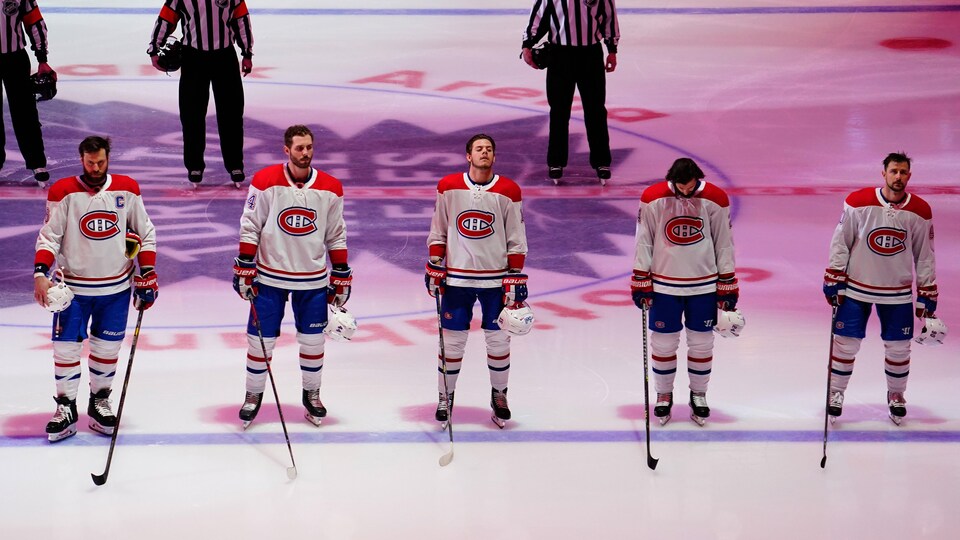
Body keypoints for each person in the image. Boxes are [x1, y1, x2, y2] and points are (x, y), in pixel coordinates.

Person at [33, 136, 158, 442]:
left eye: (101, 162)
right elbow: (50, 237)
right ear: (81, 160)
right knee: (65, 349)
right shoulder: (63, 191)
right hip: (73, 289)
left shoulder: (127, 188)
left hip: (115, 288)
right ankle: (65, 408)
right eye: (90, 162)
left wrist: (148, 272)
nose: (96, 167)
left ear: (108, 158)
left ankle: (99, 401)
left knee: (106, 350)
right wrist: (40, 272)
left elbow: (146, 232)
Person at [232, 125, 351, 428]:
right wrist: (245, 263)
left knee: (313, 343)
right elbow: (250, 224)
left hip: (312, 281)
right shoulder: (265, 180)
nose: (305, 153)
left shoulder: (331, 187)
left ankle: (312, 394)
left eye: (309, 147)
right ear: (286, 150)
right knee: (259, 342)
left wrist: (340, 272)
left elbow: (336, 234)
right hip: (269, 278)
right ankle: (253, 395)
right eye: (299, 148)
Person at [823, 152, 939, 425]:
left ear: (909, 175)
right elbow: (841, 242)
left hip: (896, 291)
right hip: (855, 288)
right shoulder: (858, 202)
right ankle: (835, 394)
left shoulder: (920, 211)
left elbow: (925, 255)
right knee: (846, 344)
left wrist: (927, 291)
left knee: (899, 347)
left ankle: (897, 395)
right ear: (883, 173)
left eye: (903, 172)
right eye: (894, 171)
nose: (898, 177)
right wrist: (834, 277)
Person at [425, 134, 529, 429]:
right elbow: (439, 227)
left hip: (496, 279)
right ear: (468, 156)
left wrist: (515, 274)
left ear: (494, 157)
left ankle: (499, 394)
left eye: (489, 149)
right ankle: (446, 397)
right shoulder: (448, 186)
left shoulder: (509, 190)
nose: (485, 153)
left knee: (498, 338)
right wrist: (435, 263)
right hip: (457, 278)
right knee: (452, 340)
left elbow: (516, 236)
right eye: (479, 149)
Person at [631, 157, 738, 426]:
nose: (685, 192)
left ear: (697, 179)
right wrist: (640, 277)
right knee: (663, 343)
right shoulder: (653, 197)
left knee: (701, 343)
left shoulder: (715, 198)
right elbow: (644, 239)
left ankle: (698, 394)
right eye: (681, 188)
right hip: (664, 284)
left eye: (690, 188)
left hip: (704, 284)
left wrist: (727, 280)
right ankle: (664, 394)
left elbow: (724, 242)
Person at [147, 0, 253, 188]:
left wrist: (247, 53)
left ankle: (235, 165)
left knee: (232, 114)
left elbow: (241, 20)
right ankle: (194, 166)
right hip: (193, 58)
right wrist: (154, 48)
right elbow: (166, 18)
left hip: (224, 57)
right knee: (191, 115)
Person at [521, 0, 619, 184]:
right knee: (559, 110)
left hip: (590, 55)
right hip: (560, 55)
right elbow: (538, 19)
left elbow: (609, 18)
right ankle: (556, 162)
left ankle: (602, 162)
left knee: (596, 110)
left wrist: (612, 50)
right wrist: (527, 44)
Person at [1, 1, 55, 185]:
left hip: (14, 59)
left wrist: (42, 58)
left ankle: (37, 163)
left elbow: (35, 22)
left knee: (25, 112)